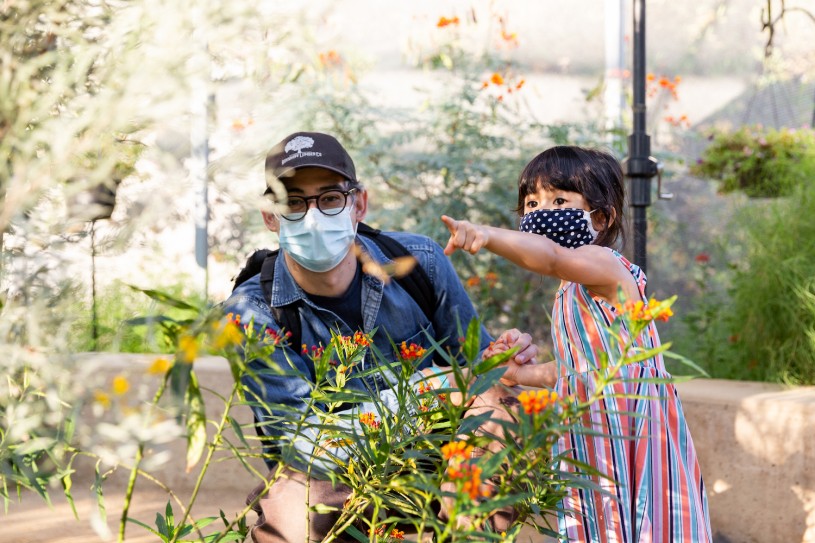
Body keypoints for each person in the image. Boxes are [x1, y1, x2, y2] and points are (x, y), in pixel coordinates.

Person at [223, 131, 537, 543]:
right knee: (290, 512)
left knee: (503, 407)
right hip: (335, 477)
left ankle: (468, 535)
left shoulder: (420, 264)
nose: (313, 216)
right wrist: (435, 388)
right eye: (294, 202)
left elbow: (484, 377)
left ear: (359, 205)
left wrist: (506, 359)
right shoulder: (250, 314)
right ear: (270, 217)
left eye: (330, 198)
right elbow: (301, 443)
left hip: (438, 463)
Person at [441, 145, 713, 542]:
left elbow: (550, 256)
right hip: (592, 432)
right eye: (532, 203)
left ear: (600, 217)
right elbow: (579, 367)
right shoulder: (573, 288)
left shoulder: (606, 267)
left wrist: (485, 234)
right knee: (599, 525)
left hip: (630, 429)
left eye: (559, 200)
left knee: (646, 522)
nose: (540, 213)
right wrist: (523, 373)